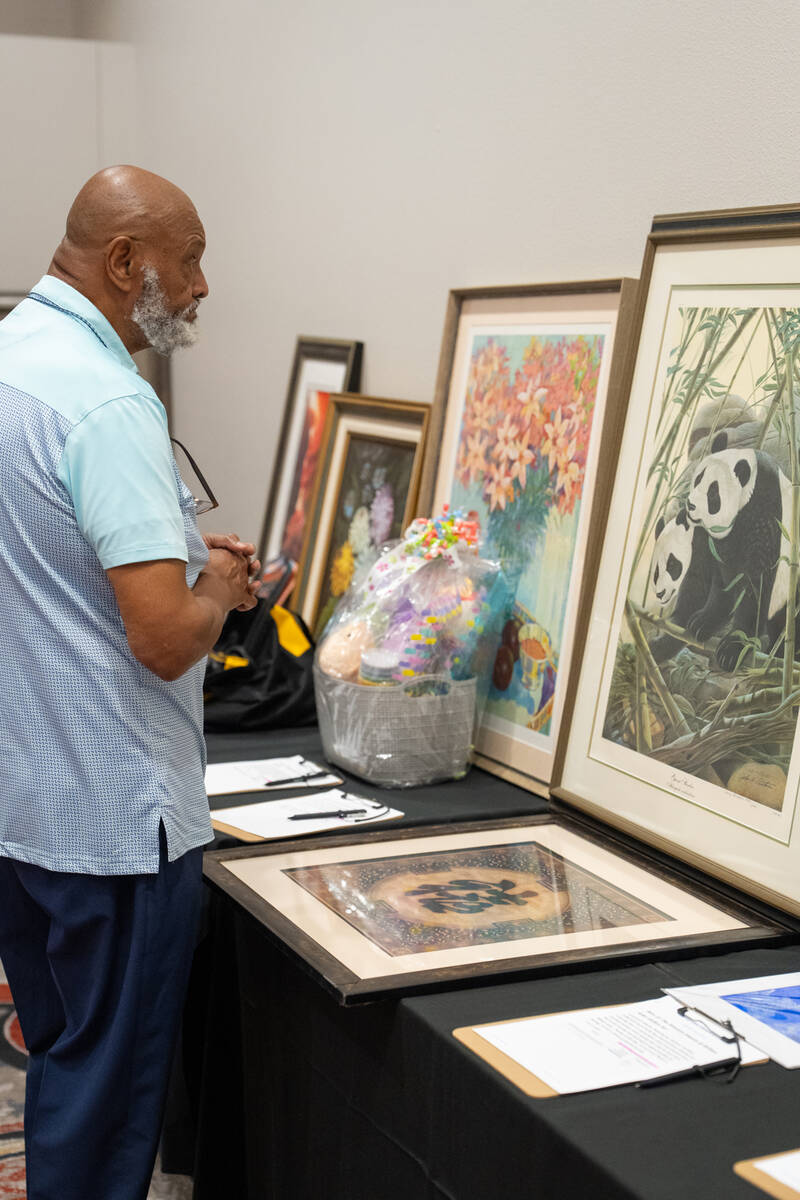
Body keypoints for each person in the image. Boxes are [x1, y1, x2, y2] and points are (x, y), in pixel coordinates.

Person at [0, 165, 259, 1200]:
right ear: (124, 261)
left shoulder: (15, 358)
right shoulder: (110, 400)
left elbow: (44, 557)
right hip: (111, 818)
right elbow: (161, 639)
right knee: (105, 1105)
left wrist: (169, 552)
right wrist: (225, 587)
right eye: (187, 259)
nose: (200, 287)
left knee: (61, 1058)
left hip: (23, 799)